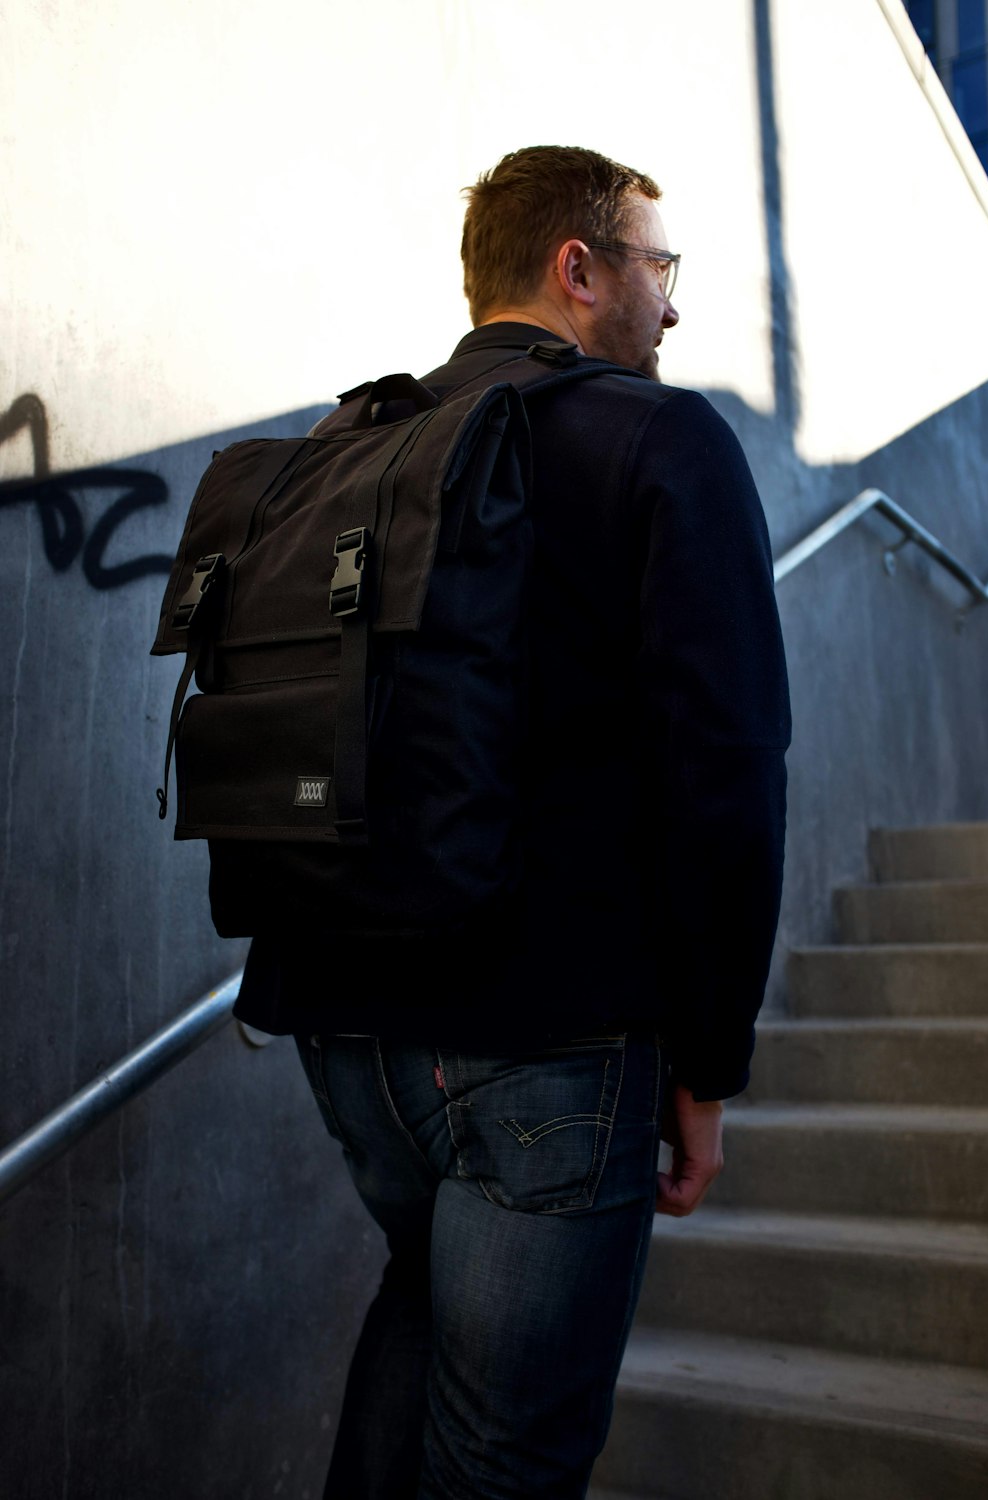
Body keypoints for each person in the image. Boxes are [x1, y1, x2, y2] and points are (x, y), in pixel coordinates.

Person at [234, 144, 791, 1500]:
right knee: (509, 1457)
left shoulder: (351, 441)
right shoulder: (662, 436)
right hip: (552, 1038)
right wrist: (708, 1065)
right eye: (662, 271)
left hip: (343, 1021)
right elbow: (729, 769)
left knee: (417, 1317)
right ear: (579, 268)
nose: (675, 308)